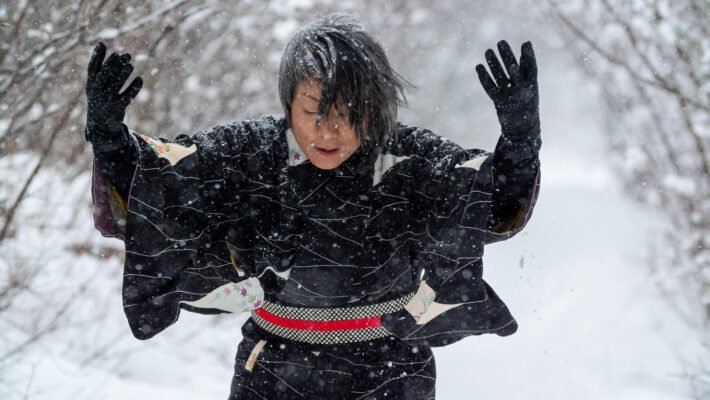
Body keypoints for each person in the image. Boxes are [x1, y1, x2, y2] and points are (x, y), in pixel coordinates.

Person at [85, 14, 540, 399]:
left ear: (376, 107)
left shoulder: (409, 158)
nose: (329, 132)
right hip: (273, 370)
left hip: (391, 372)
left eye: (349, 112)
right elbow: (163, 182)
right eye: (313, 112)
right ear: (288, 104)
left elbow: (487, 197)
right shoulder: (251, 153)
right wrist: (110, 141)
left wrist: (520, 143)